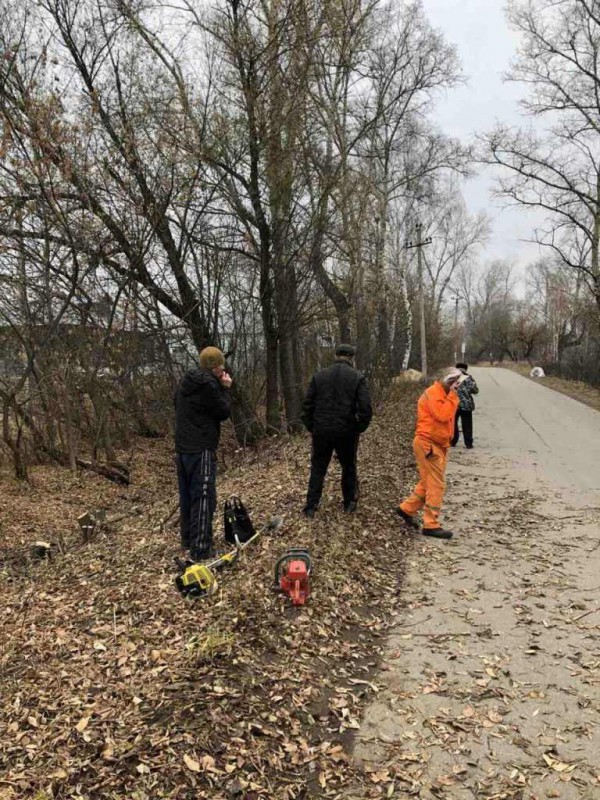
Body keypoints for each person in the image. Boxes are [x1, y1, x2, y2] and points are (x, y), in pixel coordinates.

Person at [174, 346, 232, 561]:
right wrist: (226, 388)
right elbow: (224, 411)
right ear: (217, 368)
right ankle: (200, 548)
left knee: (188, 495)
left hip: (182, 449)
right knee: (204, 497)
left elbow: (176, 405)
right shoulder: (210, 385)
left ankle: (188, 539)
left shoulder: (184, 383)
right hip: (201, 448)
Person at [301, 343, 372, 518]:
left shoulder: (319, 376)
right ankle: (349, 503)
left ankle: (311, 506)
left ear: (335, 355)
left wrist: (313, 426)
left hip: (322, 430)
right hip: (346, 430)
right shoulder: (357, 377)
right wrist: (358, 428)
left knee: (318, 467)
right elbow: (366, 409)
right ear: (351, 358)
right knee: (348, 466)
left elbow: (306, 407)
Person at [396, 367, 464, 539]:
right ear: (448, 380)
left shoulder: (441, 393)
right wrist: (454, 396)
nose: (457, 385)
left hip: (436, 444)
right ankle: (431, 524)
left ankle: (406, 509)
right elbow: (442, 415)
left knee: (428, 482)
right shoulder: (434, 394)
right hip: (429, 444)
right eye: (455, 381)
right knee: (436, 484)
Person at [451, 362, 479, 449]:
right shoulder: (469, 378)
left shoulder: (452, 377)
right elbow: (475, 390)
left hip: (453, 404)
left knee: (452, 424)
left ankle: (452, 441)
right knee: (467, 425)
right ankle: (468, 443)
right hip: (466, 405)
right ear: (465, 369)